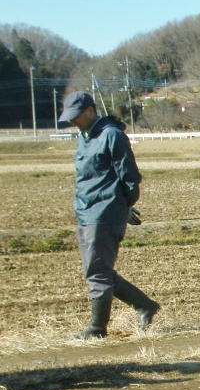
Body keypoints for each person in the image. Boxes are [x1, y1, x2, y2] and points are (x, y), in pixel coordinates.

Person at [59, 91, 160, 339]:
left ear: (90, 111)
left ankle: (96, 329)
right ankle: (146, 305)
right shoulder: (84, 136)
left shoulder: (111, 135)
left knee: (98, 273)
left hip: (104, 213)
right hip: (86, 212)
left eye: (76, 116)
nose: (72, 121)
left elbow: (130, 178)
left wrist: (122, 207)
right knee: (98, 270)